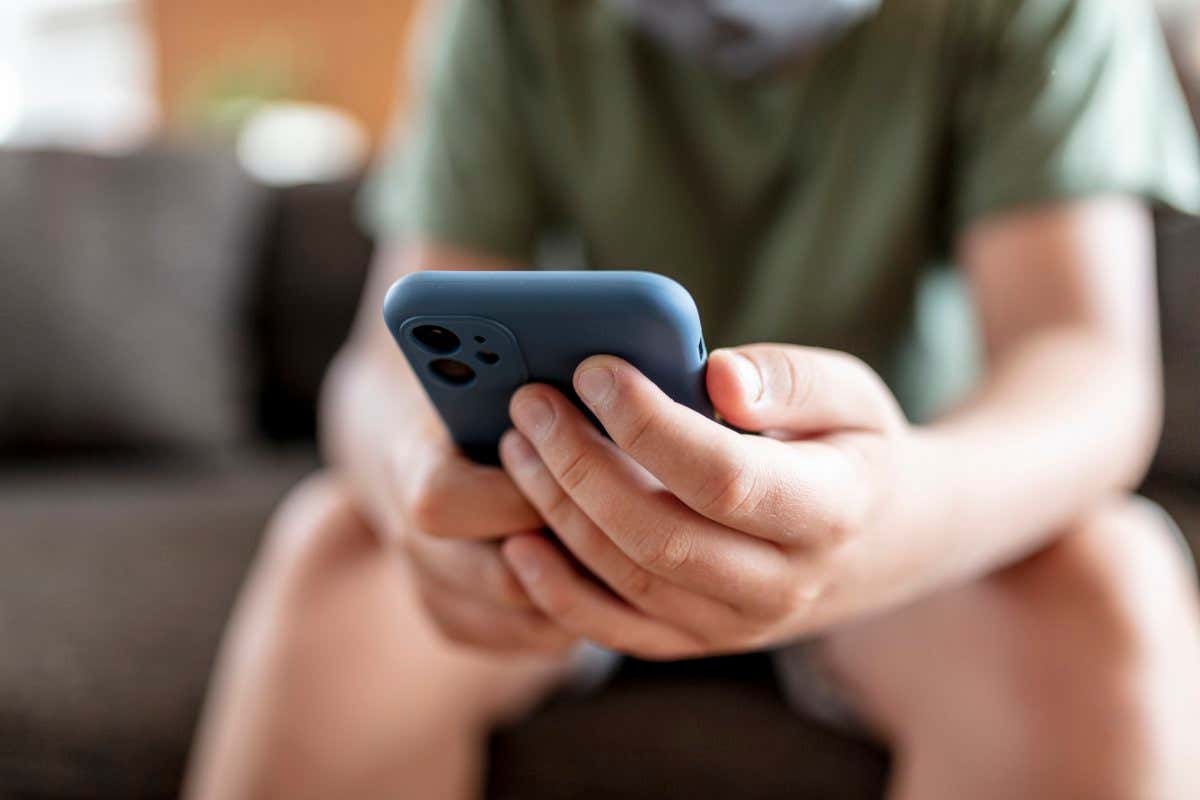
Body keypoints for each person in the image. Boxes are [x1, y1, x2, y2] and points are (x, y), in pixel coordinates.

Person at [185, 1, 1200, 797]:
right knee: (333, 541)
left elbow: (1087, 363)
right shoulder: (507, 15)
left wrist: (905, 510)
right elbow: (382, 366)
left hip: (909, 539)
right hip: (561, 526)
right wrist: (419, 476)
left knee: (1117, 576)